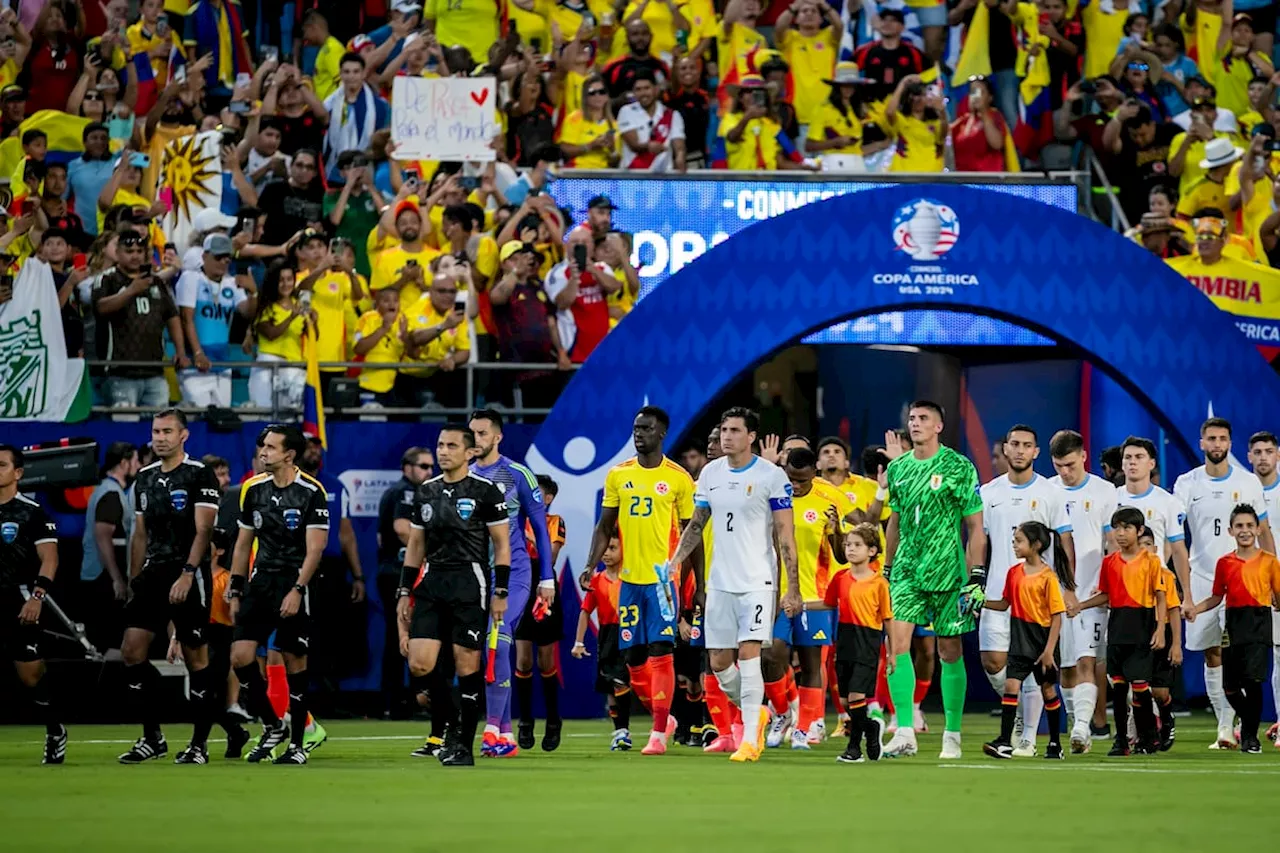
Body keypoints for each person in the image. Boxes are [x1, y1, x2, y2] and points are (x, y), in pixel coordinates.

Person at [668, 407, 800, 763]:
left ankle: (749, 740)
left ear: (751, 436)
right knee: (720, 664)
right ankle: (758, 711)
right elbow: (696, 525)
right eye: (724, 429)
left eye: (734, 430)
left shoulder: (772, 476)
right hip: (720, 582)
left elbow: (786, 535)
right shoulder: (710, 473)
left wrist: (793, 587)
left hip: (758, 579)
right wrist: (675, 562)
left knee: (749, 654)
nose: (726, 436)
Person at [116, 410, 235, 765]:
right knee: (132, 651)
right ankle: (153, 737)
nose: (160, 437)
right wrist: (135, 579)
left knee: (197, 659)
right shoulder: (145, 477)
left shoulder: (199, 475)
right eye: (156, 431)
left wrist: (187, 572)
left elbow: (204, 530)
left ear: (184, 435)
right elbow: (140, 534)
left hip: (189, 573)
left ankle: (199, 744)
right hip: (153, 573)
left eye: (168, 431)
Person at [581, 406, 698, 756]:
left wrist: (698, 586)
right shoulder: (618, 475)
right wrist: (590, 565)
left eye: (646, 428)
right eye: (635, 427)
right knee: (632, 658)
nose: (638, 433)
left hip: (663, 581)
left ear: (661, 433)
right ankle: (665, 717)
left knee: (661, 651)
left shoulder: (678, 478)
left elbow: (693, 536)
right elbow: (605, 527)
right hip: (628, 582)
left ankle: (659, 732)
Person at [397, 426, 511, 767]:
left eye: (451, 445)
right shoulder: (426, 492)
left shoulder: (487, 492)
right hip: (432, 580)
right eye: (440, 444)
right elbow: (415, 545)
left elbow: (502, 545)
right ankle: (454, 723)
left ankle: (462, 745)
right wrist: (405, 590)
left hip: (469, 580)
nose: (443, 451)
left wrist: (500, 591)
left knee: (466, 665)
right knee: (419, 663)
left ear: (469, 452)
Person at [881, 400, 987, 760]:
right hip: (906, 571)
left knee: (949, 650)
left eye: (923, 419)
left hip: (947, 571)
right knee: (897, 646)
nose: (915, 424)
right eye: (911, 418)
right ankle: (905, 730)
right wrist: (887, 566)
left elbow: (975, 527)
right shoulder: (898, 469)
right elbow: (894, 520)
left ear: (939, 426)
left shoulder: (958, 466)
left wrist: (977, 573)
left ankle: (952, 735)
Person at [228, 425, 331, 765]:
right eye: (263, 446)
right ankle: (273, 725)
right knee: (241, 656)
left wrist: (298, 590)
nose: (264, 452)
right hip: (261, 582)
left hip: (296, 582)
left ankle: (298, 744)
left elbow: (315, 549)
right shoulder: (252, 489)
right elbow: (243, 544)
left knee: (294, 662)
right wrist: (236, 586)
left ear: (289, 454)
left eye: (271, 447)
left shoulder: (311, 491)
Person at [1173, 417, 1272, 749]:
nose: (1217, 444)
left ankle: (1246, 725)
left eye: (1222, 439)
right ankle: (1225, 727)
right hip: (1203, 579)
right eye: (1211, 439)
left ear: (1230, 443)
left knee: (1243, 657)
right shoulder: (1187, 484)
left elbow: (1264, 531)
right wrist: (1186, 591)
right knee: (1212, 654)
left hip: (1245, 580)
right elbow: (1177, 538)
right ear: (1201, 443)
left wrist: (1273, 577)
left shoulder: (1247, 483)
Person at [978, 425, 1075, 758]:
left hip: (1035, 600)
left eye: (1027, 446)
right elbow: (978, 539)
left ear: (1036, 452)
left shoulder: (1051, 492)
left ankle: (1028, 738)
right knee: (993, 663)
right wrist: (971, 582)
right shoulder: (988, 492)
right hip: (998, 591)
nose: (1020, 450)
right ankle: (1019, 717)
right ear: (1005, 449)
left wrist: (1069, 586)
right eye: (1014, 444)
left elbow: (1064, 541)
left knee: (1033, 668)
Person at [468, 409, 556, 756]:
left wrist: (546, 577)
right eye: (472, 433)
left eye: (483, 433)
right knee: (487, 648)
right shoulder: (465, 476)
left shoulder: (518, 474)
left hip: (516, 573)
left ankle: (491, 728)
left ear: (498, 436)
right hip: (477, 575)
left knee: (500, 642)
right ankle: (504, 735)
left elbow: (541, 528)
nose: (476, 439)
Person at [763, 447, 844, 750]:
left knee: (812, 666)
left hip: (815, 598)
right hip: (777, 595)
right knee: (772, 656)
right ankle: (782, 714)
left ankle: (804, 728)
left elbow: (838, 554)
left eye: (799, 480)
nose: (793, 486)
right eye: (789, 478)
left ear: (814, 473)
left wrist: (836, 532)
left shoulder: (826, 503)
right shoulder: (773, 501)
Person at [1071, 506, 1168, 756]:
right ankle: (1122, 741)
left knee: (1139, 686)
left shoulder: (1151, 561)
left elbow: (1160, 596)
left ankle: (1148, 737)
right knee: (1120, 687)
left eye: (1127, 528)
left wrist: (1160, 629)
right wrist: (1081, 605)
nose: (1121, 533)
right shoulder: (1109, 562)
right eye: (1117, 528)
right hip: (1117, 628)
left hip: (1142, 626)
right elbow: (1106, 595)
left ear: (1140, 531)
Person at [1188, 504, 1280, 754]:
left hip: (1258, 622)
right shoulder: (1225, 562)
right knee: (1229, 684)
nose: (1245, 530)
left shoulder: (1269, 562)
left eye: (1250, 525)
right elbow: (1217, 596)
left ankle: (1250, 737)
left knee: (1253, 682)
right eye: (1239, 526)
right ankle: (1250, 723)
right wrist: (1196, 608)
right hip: (1233, 623)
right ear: (1230, 531)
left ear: (1259, 529)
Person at [1047, 429, 1118, 754]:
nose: (1065, 472)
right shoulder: (1046, 491)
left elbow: (1112, 543)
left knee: (1088, 661)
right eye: (1059, 465)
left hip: (1091, 594)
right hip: (1053, 596)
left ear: (1084, 456)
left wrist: (1110, 586)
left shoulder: (1105, 492)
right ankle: (1080, 730)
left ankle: (1080, 728)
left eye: (1070, 465)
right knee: (1065, 668)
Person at [979, 521, 1072, 761]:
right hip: (1019, 641)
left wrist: (1050, 651)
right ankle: (1004, 741)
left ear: (1036, 545)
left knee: (1048, 689)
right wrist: (980, 602)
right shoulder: (1014, 573)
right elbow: (1004, 604)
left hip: (1042, 641)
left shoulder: (1048, 577)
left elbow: (1056, 616)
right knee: (1011, 687)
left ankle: (1054, 742)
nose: (1014, 545)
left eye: (1019, 541)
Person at [803, 523, 893, 764]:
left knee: (856, 695)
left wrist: (892, 652)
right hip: (844, 640)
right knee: (845, 701)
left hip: (867, 642)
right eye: (848, 545)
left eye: (857, 545)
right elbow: (828, 603)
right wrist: (801, 604)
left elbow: (887, 619)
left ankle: (854, 749)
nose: (851, 550)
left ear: (872, 551)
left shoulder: (879, 583)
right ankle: (871, 729)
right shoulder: (840, 578)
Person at [0, 444, 66, 764]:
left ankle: (55, 730)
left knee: (29, 676)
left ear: (18, 473)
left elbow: (49, 559)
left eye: (1, 465)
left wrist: (37, 598)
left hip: (19, 597)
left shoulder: (32, 513)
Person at [376, 447, 434, 719]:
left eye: (430, 467)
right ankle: (403, 701)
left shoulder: (401, 492)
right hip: (401, 572)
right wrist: (432, 548)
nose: (429, 471)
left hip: (395, 570)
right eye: (423, 466)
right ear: (406, 467)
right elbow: (401, 529)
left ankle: (399, 701)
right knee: (405, 636)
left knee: (401, 636)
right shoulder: (406, 492)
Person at [515, 474, 566, 752]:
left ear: (547, 498)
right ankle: (524, 721)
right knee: (523, 661)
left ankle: (554, 721)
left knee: (546, 662)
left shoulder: (554, 522)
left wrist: (527, 538)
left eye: (537, 493)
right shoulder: (514, 521)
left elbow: (552, 556)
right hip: (519, 586)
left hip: (544, 587)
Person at [175, 234, 255, 408]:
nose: (224, 262)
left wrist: (253, 292)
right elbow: (186, 319)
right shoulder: (191, 278)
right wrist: (198, 352)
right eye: (218, 257)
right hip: (196, 365)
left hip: (222, 362)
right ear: (205, 256)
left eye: (227, 257)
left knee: (222, 417)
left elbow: (248, 312)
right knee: (199, 416)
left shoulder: (231, 283)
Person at [574, 530, 631, 748]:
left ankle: (663, 721)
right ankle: (620, 731)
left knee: (623, 681)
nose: (606, 554)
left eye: (612, 548)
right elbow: (585, 611)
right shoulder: (596, 580)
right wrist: (578, 642)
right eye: (604, 549)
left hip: (630, 634)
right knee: (611, 684)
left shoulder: (631, 578)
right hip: (607, 636)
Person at [79, 442, 138, 649]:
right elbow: (102, 536)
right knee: (109, 643)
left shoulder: (109, 490)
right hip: (102, 578)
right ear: (124, 463)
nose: (138, 466)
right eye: (135, 461)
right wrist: (117, 579)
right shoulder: (111, 494)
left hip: (101, 575)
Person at [1246, 432, 1280, 747]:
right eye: (1257, 452)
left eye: (1269, 451)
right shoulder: (1244, 492)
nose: (1263, 457)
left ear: (1278, 455)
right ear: (1248, 456)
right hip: (1258, 587)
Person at [249, 261, 311, 412]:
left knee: (290, 415)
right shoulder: (266, 306)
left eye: (289, 279)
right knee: (264, 412)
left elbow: (312, 336)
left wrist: (312, 321)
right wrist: (291, 317)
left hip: (294, 366)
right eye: (281, 280)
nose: (285, 284)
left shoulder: (300, 305)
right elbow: (271, 334)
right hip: (268, 366)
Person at [1141, 527, 1183, 751]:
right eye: (1141, 545)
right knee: (1137, 688)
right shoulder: (1130, 572)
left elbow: (1174, 610)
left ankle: (1166, 718)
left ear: (1156, 549)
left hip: (1163, 632)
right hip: (1138, 631)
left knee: (1159, 691)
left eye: (1148, 544)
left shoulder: (1167, 576)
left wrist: (1176, 644)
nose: (1144, 549)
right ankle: (1145, 733)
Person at [617, 69, 686, 172]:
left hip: (662, 178)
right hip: (632, 177)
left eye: (647, 88)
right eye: (638, 89)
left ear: (656, 89)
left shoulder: (672, 115)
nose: (643, 93)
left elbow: (679, 146)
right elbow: (633, 145)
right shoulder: (626, 111)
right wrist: (648, 147)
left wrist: (680, 158)